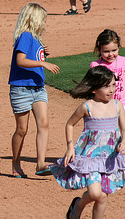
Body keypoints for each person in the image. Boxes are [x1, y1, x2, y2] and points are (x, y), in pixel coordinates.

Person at [50, 66, 125, 219]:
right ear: (93, 88)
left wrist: (124, 140)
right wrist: (70, 147)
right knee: (94, 193)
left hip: (110, 158)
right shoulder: (87, 107)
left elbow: (124, 128)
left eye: (112, 84)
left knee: (103, 196)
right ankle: (78, 204)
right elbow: (70, 124)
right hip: (90, 157)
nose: (111, 90)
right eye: (106, 86)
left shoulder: (117, 105)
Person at [8, 3, 60, 178]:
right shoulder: (25, 36)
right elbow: (20, 61)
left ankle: (40, 164)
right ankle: (16, 164)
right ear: (34, 19)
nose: (45, 23)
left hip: (38, 88)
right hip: (22, 89)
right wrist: (43, 63)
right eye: (43, 19)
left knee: (43, 123)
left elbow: (30, 57)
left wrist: (42, 53)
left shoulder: (35, 39)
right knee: (22, 129)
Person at [90, 29, 125, 107]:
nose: (111, 54)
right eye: (106, 51)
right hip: (105, 106)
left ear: (119, 47)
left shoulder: (123, 61)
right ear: (99, 50)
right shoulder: (96, 65)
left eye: (114, 50)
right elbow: (92, 87)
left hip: (123, 104)